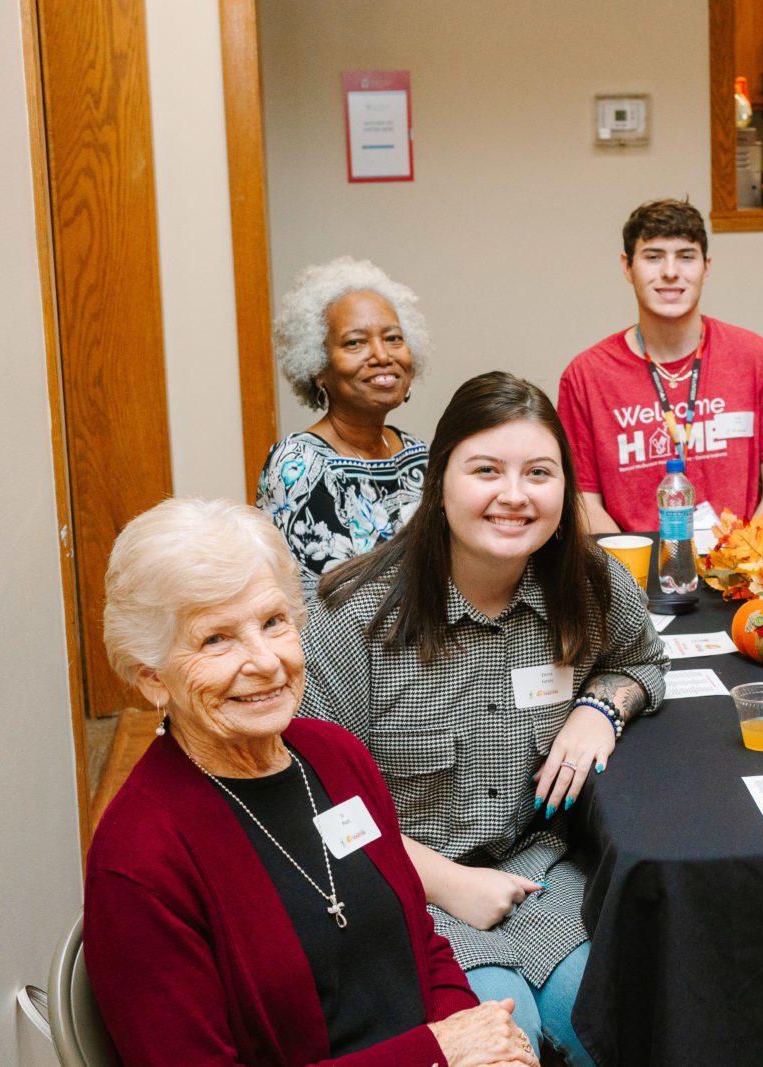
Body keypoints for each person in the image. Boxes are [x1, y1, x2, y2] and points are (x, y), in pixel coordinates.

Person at [87, 497, 536, 1065]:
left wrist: (479, 1039)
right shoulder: (141, 860)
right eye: (216, 640)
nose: (267, 662)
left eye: (273, 622)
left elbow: (419, 940)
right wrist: (437, 1052)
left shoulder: (333, 756)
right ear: (153, 678)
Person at [302, 371, 670, 1065]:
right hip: (407, 894)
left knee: (627, 1023)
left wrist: (601, 706)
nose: (514, 494)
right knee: (506, 1042)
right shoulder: (353, 617)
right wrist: (445, 882)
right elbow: (316, 803)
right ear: (439, 480)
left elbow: (644, 663)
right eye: (485, 470)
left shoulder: (586, 584)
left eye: (539, 472)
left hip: (543, 878)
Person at [557, 198, 763, 533]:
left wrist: (745, 559)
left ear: (706, 266)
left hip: (740, 571)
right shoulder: (586, 376)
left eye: (686, 257)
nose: (670, 272)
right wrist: (630, 573)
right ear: (627, 267)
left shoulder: (757, 358)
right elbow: (583, 499)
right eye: (653, 257)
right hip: (635, 572)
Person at [258, 256, 432, 593]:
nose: (382, 355)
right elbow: (326, 599)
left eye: (394, 338)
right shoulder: (298, 464)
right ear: (318, 367)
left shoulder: (418, 453)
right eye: (355, 342)